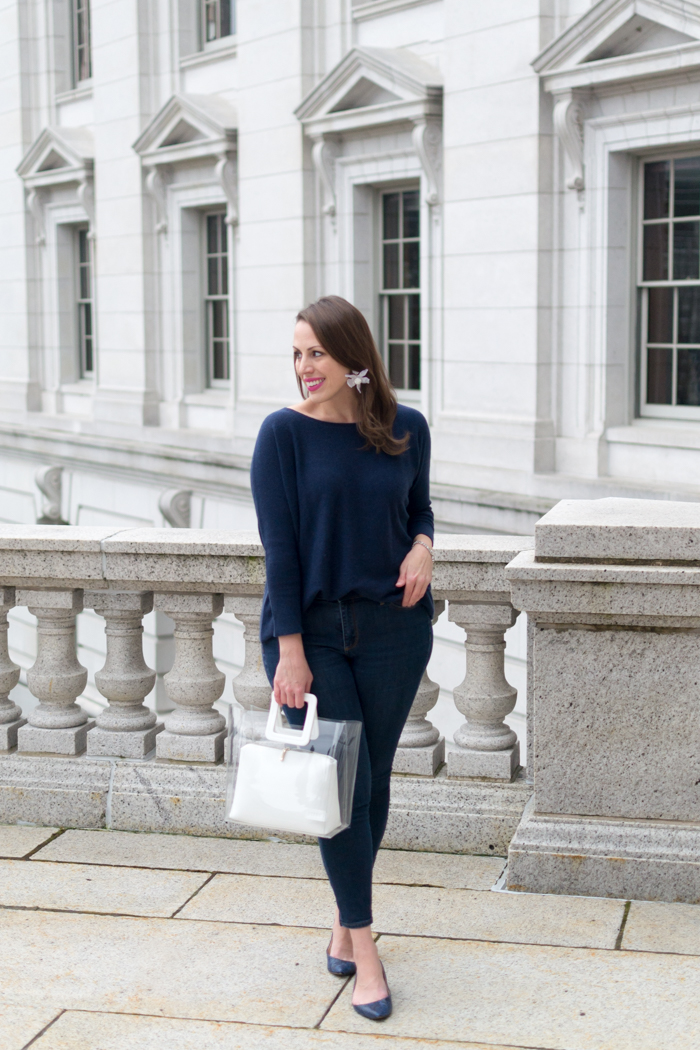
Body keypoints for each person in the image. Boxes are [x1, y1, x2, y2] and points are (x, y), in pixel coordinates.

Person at [250, 295, 434, 1021]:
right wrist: (289, 651)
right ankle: (364, 945)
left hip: (395, 629)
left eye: (315, 354)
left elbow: (419, 509)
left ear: (353, 357)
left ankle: (340, 914)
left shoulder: (404, 427)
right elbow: (281, 552)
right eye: (296, 354)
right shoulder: (282, 437)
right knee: (339, 789)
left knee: (374, 780)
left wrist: (423, 546)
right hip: (313, 633)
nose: (303, 368)